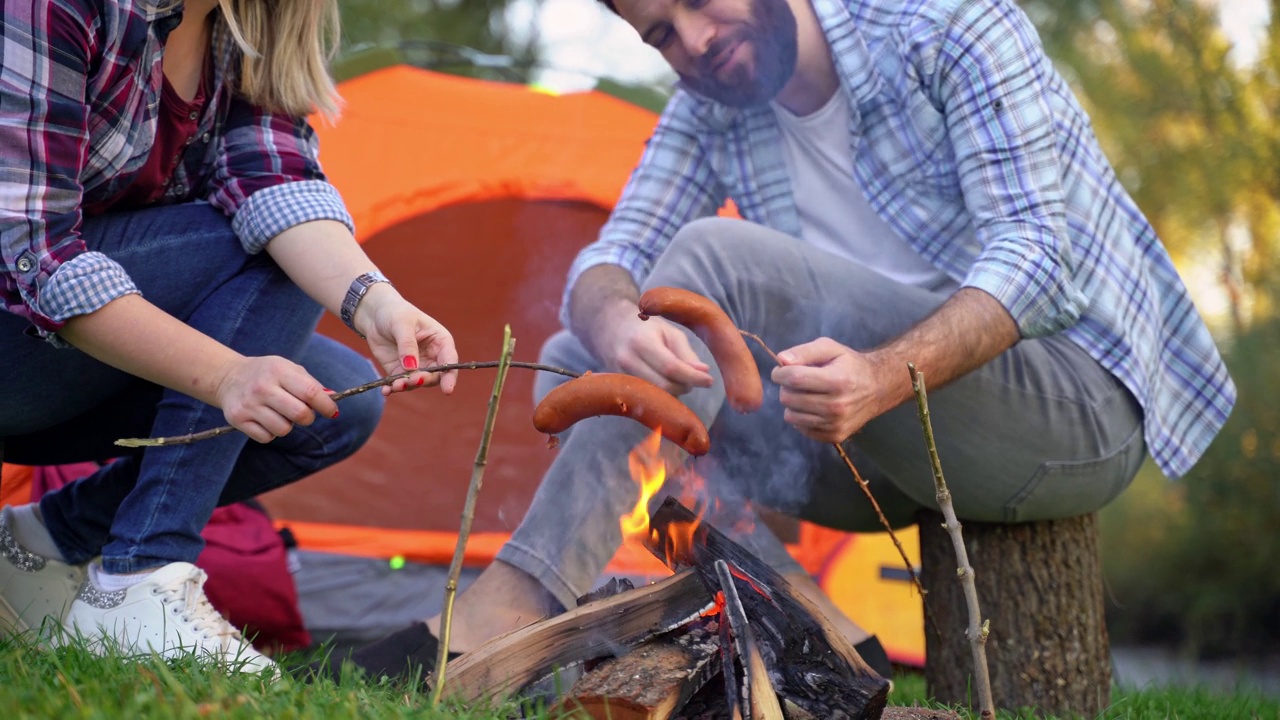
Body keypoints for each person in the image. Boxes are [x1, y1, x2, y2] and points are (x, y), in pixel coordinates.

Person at [317, 0, 1235, 684]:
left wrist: (881, 374)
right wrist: (613, 324)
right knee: (579, 357)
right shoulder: (714, 101)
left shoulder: (946, 25)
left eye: (693, 2)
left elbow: (1040, 257)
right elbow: (612, 257)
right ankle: (826, 635)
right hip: (870, 435)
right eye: (660, 34)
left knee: (717, 256)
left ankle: (510, 617)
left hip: (1069, 407)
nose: (696, 38)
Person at [0, 0, 458, 674]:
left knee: (336, 407)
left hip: (69, 374)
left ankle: (40, 541)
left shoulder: (244, 29)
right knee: (257, 250)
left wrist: (376, 303)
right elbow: (32, 255)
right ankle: (142, 577)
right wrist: (223, 376)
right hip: (17, 344)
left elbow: (280, 185)